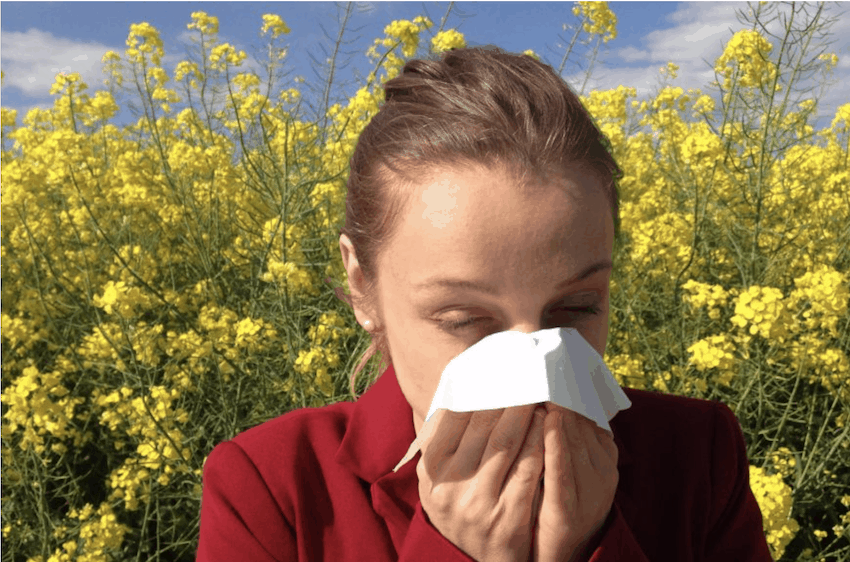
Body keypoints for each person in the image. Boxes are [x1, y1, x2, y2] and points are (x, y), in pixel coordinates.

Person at [196, 46, 773, 561]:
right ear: (361, 286)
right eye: (465, 319)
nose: (536, 371)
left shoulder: (696, 456)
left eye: (575, 308)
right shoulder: (272, 489)